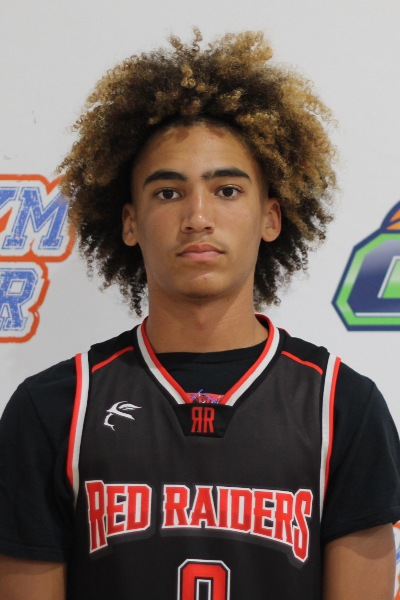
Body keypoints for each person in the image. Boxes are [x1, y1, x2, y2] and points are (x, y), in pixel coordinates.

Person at [0, 29, 399, 600]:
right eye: (168, 193)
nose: (198, 217)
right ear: (130, 223)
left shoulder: (343, 408)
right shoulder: (53, 410)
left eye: (227, 190)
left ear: (271, 217)